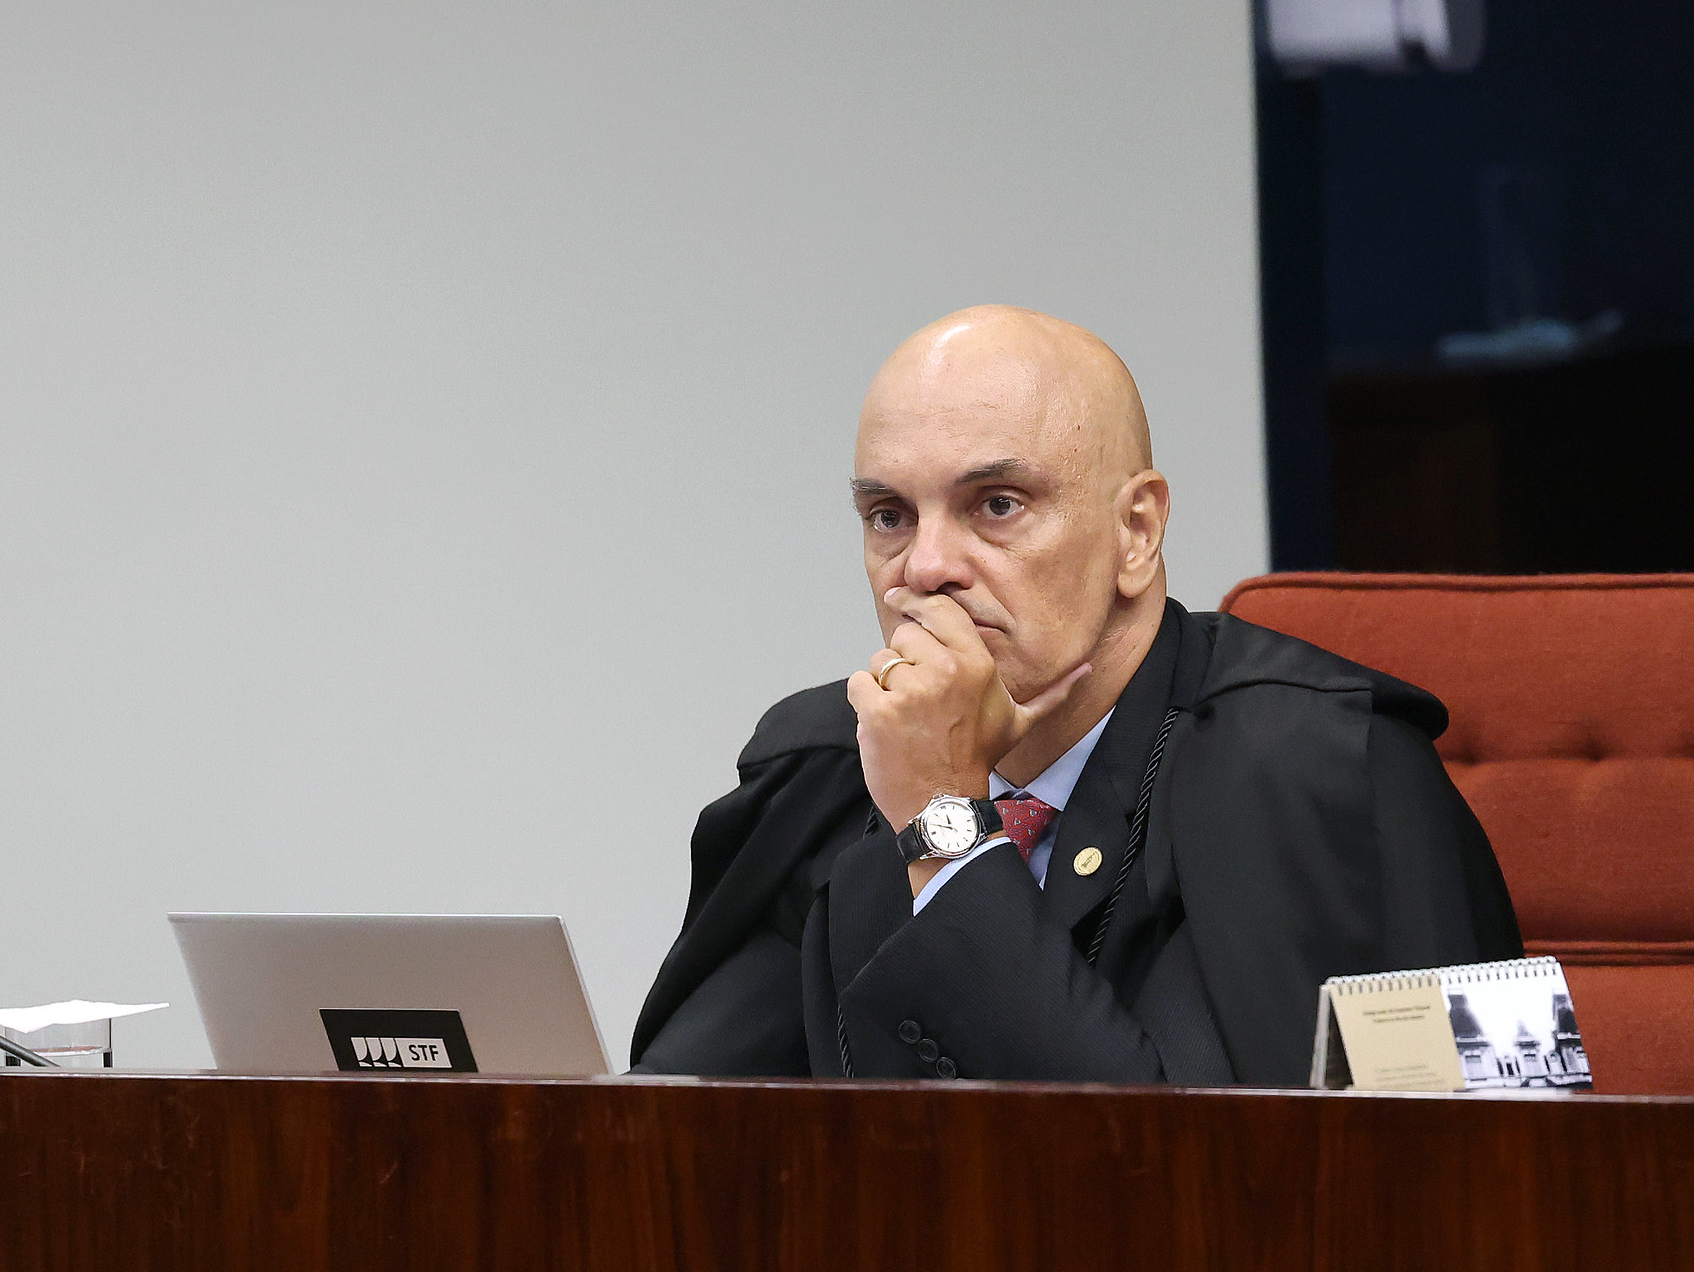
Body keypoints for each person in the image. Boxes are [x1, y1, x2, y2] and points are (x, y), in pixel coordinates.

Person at [631, 306, 1521, 1085]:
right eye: (889, 516)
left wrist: (944, 828)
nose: (925, 569)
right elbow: (667, 1138)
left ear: (1136, 530)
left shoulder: (1339, 768)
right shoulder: (825, 768)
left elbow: (1480, 1171)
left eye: (997, 504)